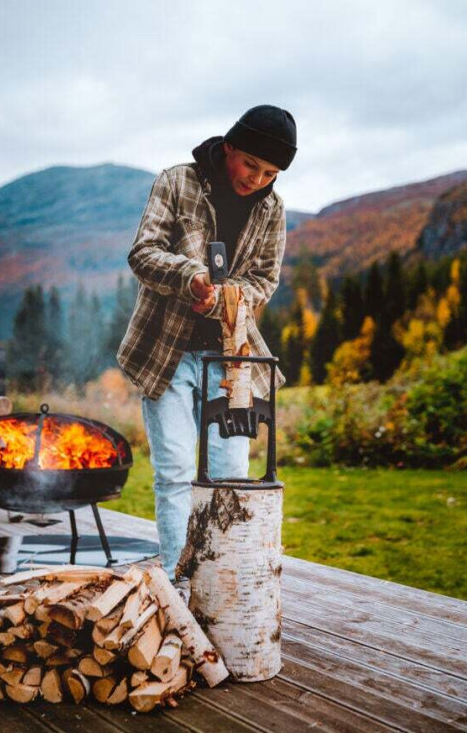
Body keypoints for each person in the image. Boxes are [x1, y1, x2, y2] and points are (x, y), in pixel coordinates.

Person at [117, 105, 297, 579]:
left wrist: (226, 300)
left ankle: (223, 581)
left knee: (231, 476)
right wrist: (191, 279)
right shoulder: (177, 182)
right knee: (175, 471)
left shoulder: (273, 210)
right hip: (166, 352)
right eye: (251, 165)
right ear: (230, 147)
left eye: (271, 172)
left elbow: (264, 280)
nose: (258, 179)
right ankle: (179, 580)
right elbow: (143, 253)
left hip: (232, 358)